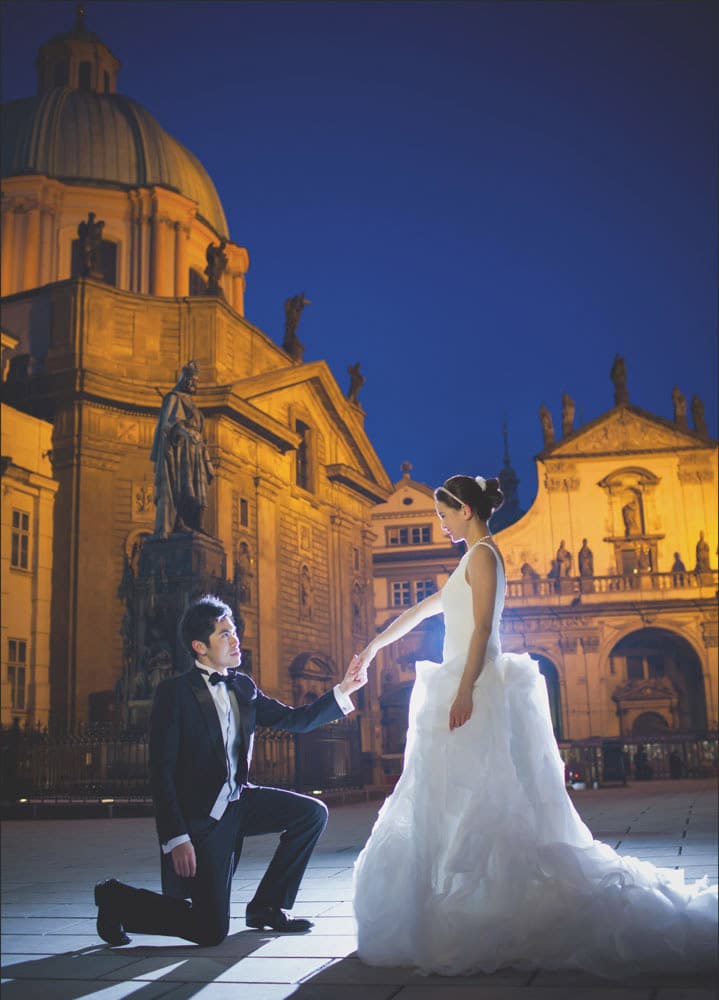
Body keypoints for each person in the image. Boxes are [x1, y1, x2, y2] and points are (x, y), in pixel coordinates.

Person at [352, 473, 718, 977]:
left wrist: (464, 690)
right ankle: (474, 898)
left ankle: (494, 902)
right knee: (457, 797)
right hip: (461, 681)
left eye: (443, 513)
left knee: (485, 797)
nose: (439, 522)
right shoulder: (468, 558)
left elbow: (482, 628)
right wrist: (372, 647)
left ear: (464, 509)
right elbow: (421, 609)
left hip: (474, 684)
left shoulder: (485, 555)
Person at [95, 595, 367, 947]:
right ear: (199, 647)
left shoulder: (243, 687)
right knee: (209, 930)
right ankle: (115, 900)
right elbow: (160, 772)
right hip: (204, 819)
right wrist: (176, 837)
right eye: (224, 633)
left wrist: (344, 689)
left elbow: (294, 720)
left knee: (311, 813)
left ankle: (267, 907)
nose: (235, 639)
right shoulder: (174, 693)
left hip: (240, 802)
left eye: (234, 630)